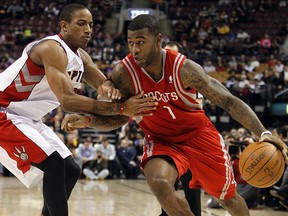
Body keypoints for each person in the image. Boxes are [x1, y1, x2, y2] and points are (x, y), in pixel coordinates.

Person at [61, 15, 288, 216]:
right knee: (159, 182)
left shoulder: (185, 69)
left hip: (199, 137)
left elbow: (227, 100)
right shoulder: (124, 73)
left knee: (228, 199)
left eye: (140, 42)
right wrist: (88, 120)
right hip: (162, 140)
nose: (135, 49)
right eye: (131, 43)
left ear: (158, 40)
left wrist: (263, 133)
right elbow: (122, 116)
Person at [0, 5, 157, 216]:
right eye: (81, 24)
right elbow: (67, 101)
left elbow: (104, 84)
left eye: (91, 25)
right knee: (54, 165)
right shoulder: (51, 48)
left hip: (27, 117)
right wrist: (121, 108)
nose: (88, 30)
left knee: (71, 170)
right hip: (4, 112)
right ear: (64, 26)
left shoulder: (81, 57)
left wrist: (111, 89)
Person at [161, 41, 202, 216]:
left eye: (173, 53)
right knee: (165, 186)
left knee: (191, 188)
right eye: (166, 53)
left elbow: (197, 107)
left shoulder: (188, 78)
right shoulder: (155, 78)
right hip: (167, 141)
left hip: (188, 142)